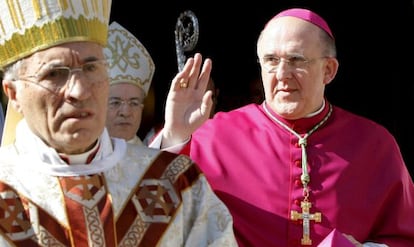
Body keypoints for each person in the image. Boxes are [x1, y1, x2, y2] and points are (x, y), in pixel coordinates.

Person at [151, 7, 414, 246]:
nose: (282, 74)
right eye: (271, 60)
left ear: (329, 70)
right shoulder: (213, 137)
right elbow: (146, 218)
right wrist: (174, 135)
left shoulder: (375, 145)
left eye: (297, 60)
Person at [0, 1, 237, 246]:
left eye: (91, 68)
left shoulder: (178, 183)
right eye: (54, 73)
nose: (79, 91)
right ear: (13, 94)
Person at [105, 21, 154, 145]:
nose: (126, 112)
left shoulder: (153, 161)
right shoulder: (80, 160)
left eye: (134, 103)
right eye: (115, 102)